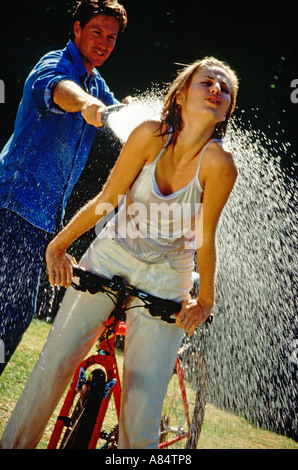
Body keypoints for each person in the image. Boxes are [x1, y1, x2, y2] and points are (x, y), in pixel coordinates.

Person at [0, 56, 239, 449]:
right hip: (112, 254)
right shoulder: (148, 134)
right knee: (50, 371)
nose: (216, 89)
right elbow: (106, 199)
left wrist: (204, 301)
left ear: (226, 110)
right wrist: (58, 244)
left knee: (140, 417)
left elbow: (205, 238)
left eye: (225, 89)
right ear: (181, 95)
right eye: (207, 82)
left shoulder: (220, 164)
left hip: (168, 276)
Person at [0, 0, 129, 374]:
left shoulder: (95, 82)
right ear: (76, 29)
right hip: (13, 208)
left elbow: (118, 114)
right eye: (96, 32)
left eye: (112, 37)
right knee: (10, 315)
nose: (104, 43)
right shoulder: (57, 66)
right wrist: (89, 106)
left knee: (13, 315)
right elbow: (60, 90)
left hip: (38, 220)